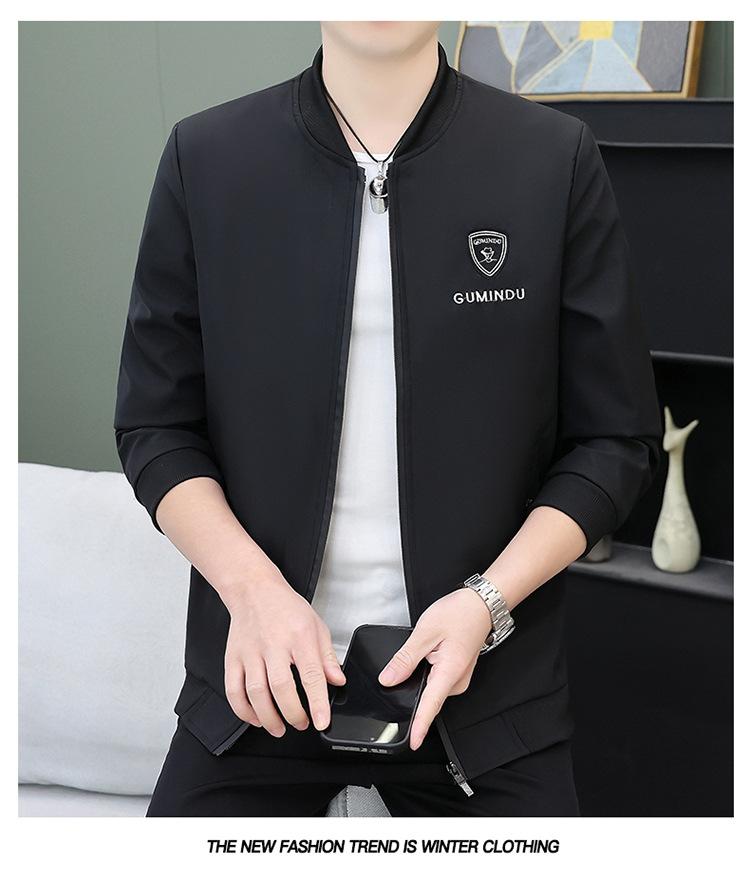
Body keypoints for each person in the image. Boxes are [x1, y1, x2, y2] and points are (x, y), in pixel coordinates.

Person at [114, 21, 661, 817]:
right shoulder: (207, 157)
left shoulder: (553, 157)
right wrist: (253, 591)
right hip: (259, 686)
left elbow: (614, 439)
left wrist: (486, 603)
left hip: (484, 695)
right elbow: (154, 425)